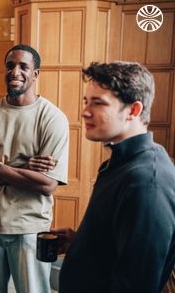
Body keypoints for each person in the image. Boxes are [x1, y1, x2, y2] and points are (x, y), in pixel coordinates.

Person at [54, 61, 175, 292]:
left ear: (134, 110)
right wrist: (79, 243)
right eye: (86, 101)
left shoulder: (147, 182)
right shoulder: (120, 163)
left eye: (98, 103)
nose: (85, 111)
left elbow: (135, 285)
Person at [0, 44, 69, 293]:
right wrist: (23, 169)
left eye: (23, 66)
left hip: (31, 228)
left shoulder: (53, 118)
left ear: (36, 74)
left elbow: (46, 185)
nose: (15, 71)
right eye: (10, 65)